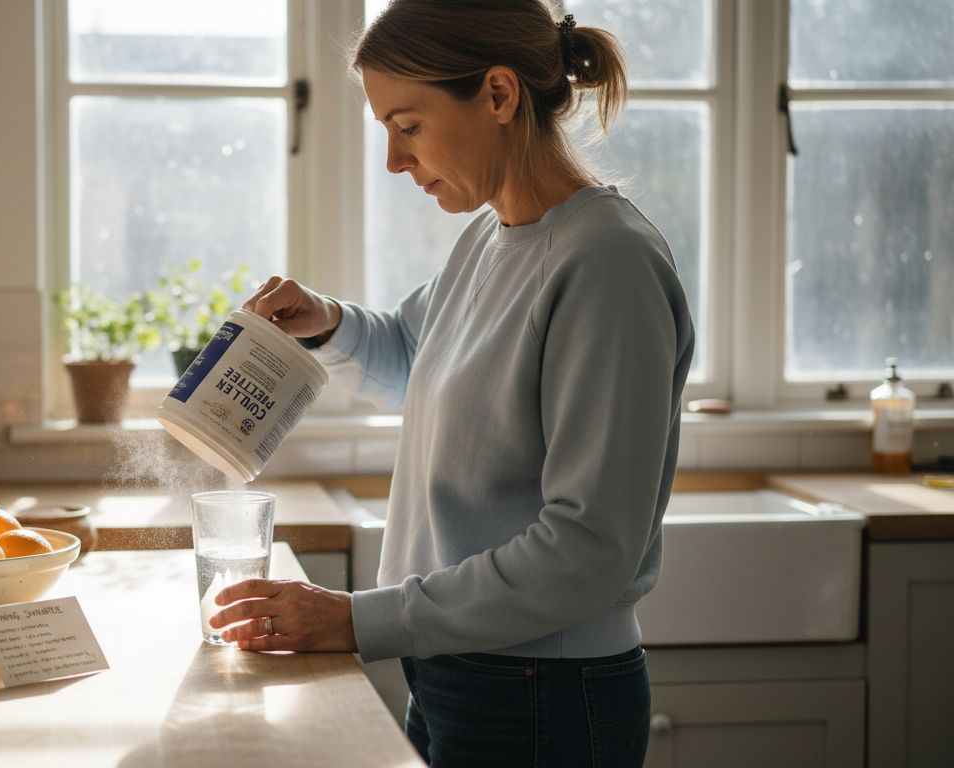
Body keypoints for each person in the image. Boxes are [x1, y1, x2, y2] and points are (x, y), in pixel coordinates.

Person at [207, 1, 695, 765]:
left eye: (408, 126)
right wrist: (327, 321)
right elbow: (417, 355)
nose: (395, 161)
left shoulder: (606, 264)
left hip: (543, 692)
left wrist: (356, 620)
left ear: (499, 95)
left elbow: (588, 547)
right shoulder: (494, 235)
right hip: (460, 669)